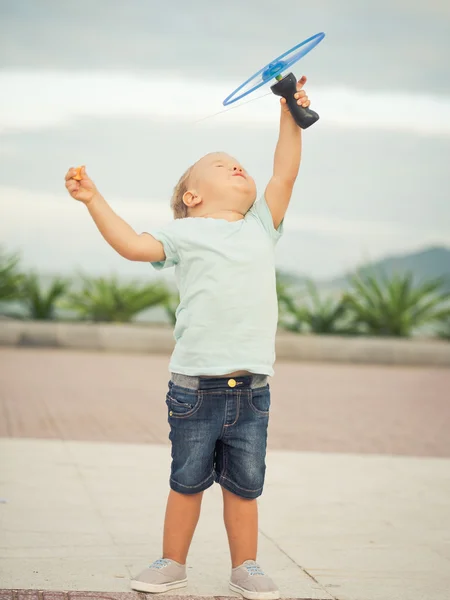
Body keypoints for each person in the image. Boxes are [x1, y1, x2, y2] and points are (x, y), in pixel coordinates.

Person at [64, 76, 311, 600]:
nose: (235, 165)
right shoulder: (183, 233)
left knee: (245, 488)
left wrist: (289, 109)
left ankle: (246, 565)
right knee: (186, 481)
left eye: (238, 162)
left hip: (252, 387)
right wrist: (93, 199)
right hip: (194, 386)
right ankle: (171, 562)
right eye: (221, 164)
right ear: (192, 196)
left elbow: (285, 170)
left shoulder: (260, 225)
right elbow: (132, 245)